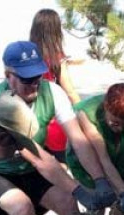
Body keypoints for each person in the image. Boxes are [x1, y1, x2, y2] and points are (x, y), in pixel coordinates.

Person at [0, 40, 112, 215]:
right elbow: (35, 157)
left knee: (68, 204)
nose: (34, 84)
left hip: (31, 168)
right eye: (26, 79)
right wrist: (78, 190)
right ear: (8, 75)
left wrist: (99, 179)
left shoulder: (52, 91)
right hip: (0, 171)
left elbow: (78, 139)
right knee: (23, 209)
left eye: (38, 76)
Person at [67, 83, 124, 215]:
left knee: (123, 213)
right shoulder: (87, 113)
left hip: (119, 159)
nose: (120, 129)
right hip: (89, 165)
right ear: (106, 108)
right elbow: (103, 158)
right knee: (96, 213)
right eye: (116, 123)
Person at [30, 8, 80, 159]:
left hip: (29, 120)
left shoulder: (27, 56)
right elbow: (69, 90)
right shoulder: (56, 58)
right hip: (53, 121)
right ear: (57, 31)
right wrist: (84, 110)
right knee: (59, 166)